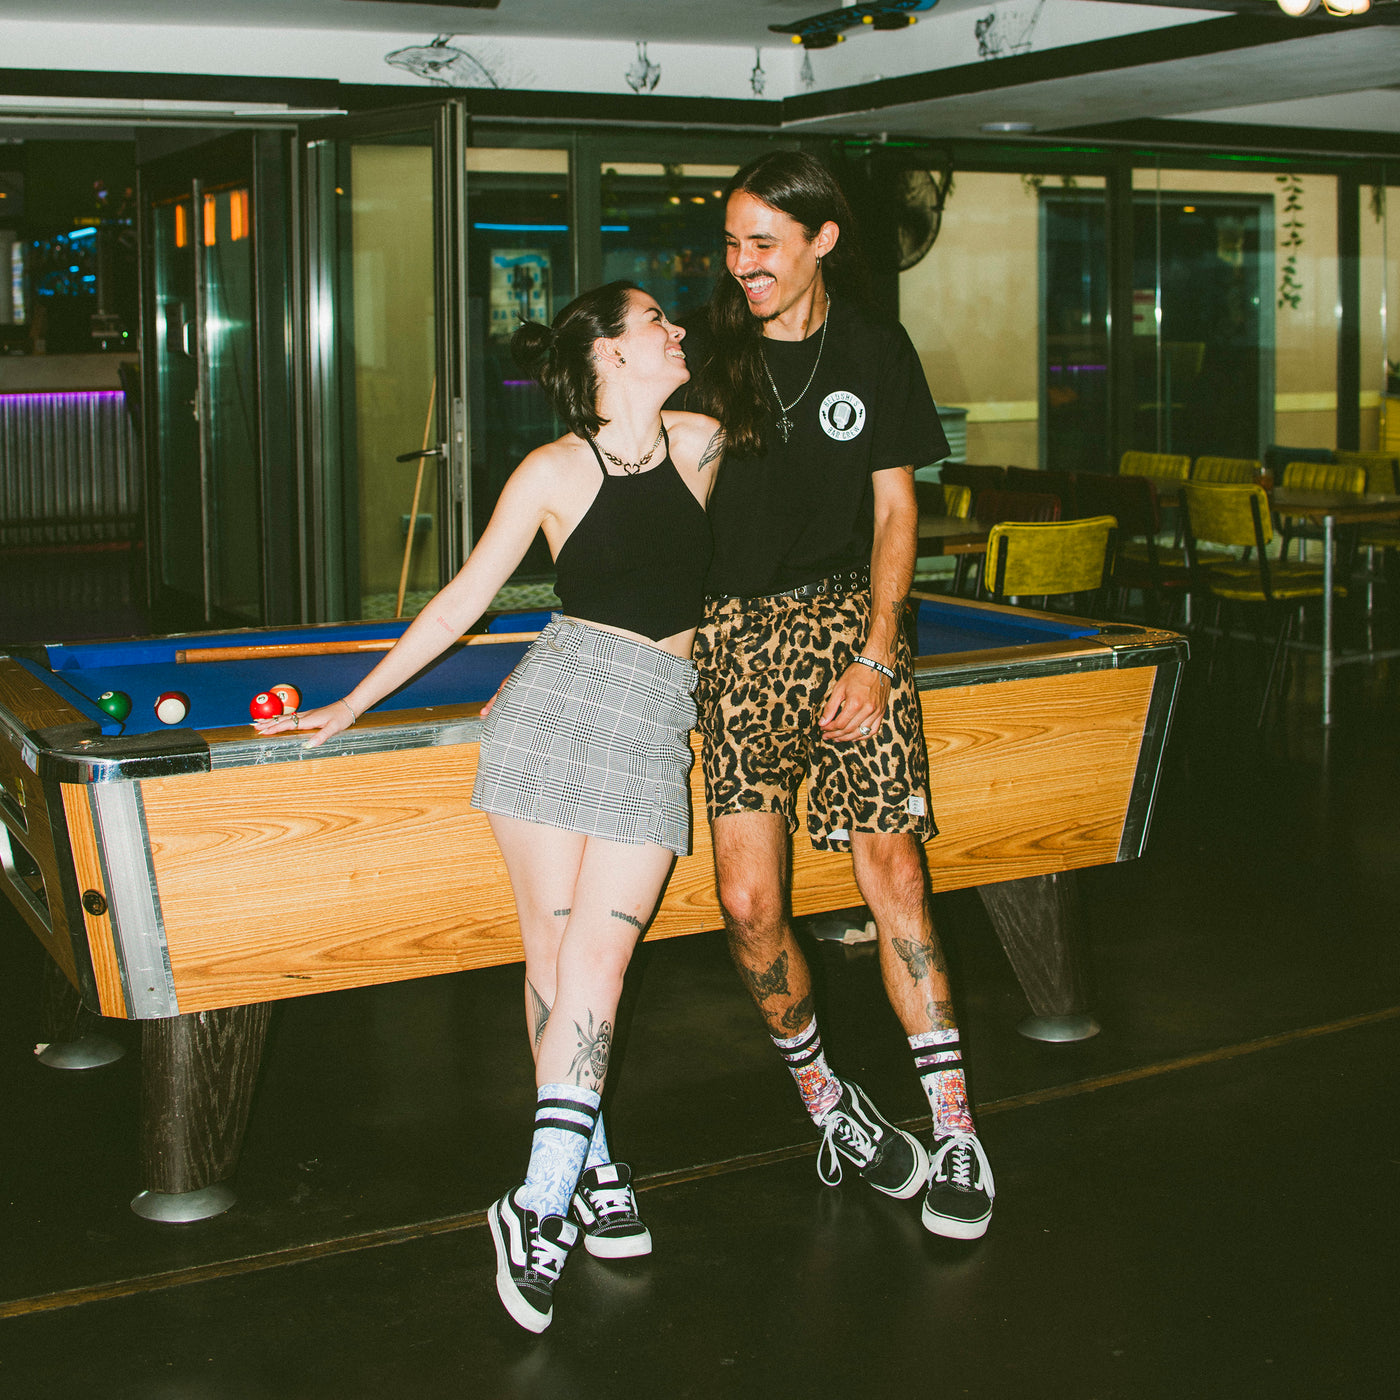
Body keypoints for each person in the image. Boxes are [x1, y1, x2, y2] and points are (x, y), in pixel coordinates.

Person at [256, 280, 723, 1332]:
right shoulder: (554, 469)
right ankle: (572, 1181)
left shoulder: (702, 441)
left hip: (653, 720)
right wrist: (347, 704)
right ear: (607, 353)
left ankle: (538, 1196)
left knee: (599, 960)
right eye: (655, 322)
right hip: (555, 714)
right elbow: (465, 597)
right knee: (559, 958)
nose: (676, 330)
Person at [684, 151, 994, 1239]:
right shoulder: (706, 352)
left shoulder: (873, 347)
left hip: (845, 627)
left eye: (762, 242)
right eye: (730, 243)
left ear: (821, 239)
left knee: (891, 876)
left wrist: (874, 653)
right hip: (731, 638)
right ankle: (828, 1100)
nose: (741, 264)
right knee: (745, 904)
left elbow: (895, 515)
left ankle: (952, 1123)